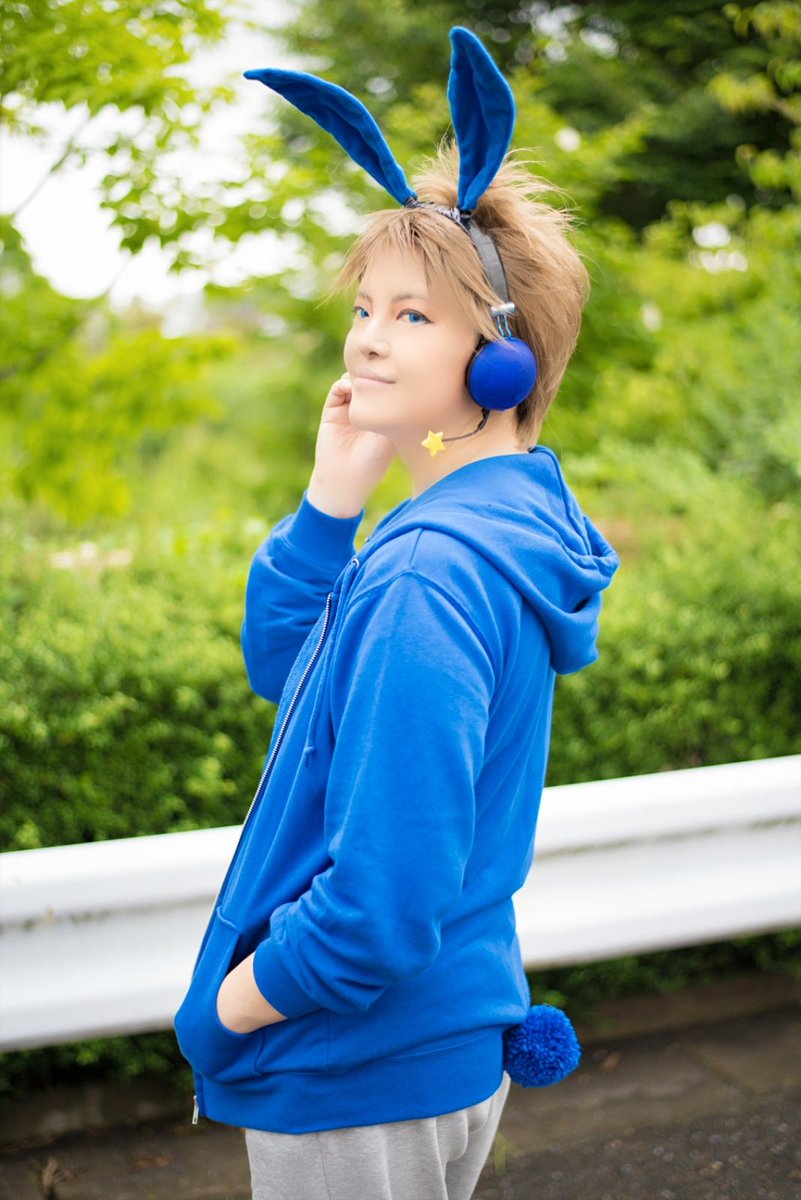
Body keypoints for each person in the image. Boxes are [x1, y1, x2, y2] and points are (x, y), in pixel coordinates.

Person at [173, 26, 619, 1200]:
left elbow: (380, 905)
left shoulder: (430, 570)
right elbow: (288, 675)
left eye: (414, 316)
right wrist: (334, 499)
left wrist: (229, 1006)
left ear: (501, 357)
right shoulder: (502, 522)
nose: (367, 337)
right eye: (367, 307)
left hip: (355, 1067)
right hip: (438, 1044)